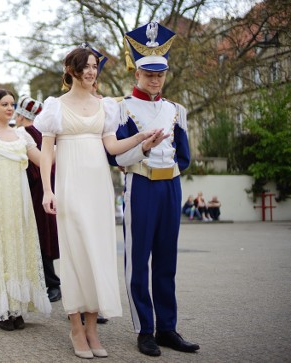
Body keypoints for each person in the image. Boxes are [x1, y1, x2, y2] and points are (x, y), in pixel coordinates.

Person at [36, 45, 165, 359]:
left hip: (98, 187)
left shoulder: (106, 106)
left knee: (98, 253)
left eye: (94, 66)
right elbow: (46, 153)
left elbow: (112, 145)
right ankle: (75, 328)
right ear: (71, 71)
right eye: (84, 67)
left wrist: (141, 138)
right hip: (68, 184)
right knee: (75, 253)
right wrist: (47, 191)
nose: (91, 72)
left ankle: (92, 328)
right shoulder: (54, 107)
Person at [110, 22, 199, 356]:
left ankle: (167, 327)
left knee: (166, 260)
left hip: (170, 186)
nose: (154, 79)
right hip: (140, 184)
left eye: (159, 74)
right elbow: (114, 156)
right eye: (148, 73)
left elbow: (185, 156)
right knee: (138, 259)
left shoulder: (176, 110)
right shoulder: (122, 108)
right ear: (137, 74)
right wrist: (143, 149)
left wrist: (171, 174)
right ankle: (143, 329)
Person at [0, 89, 51, 331]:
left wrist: (61, 137)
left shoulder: (22, 135)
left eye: (12, 104)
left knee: (21, 248)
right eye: (4, 104)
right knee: (0, 250)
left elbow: (44, 159)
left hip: (21, 202)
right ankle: (3, 309)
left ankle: (18, 307)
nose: (9, 108)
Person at [14, 95, 62, 303]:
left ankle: (52, 283)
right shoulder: (44, 133)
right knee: (44, 234)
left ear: (21, 115)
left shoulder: (24, 133)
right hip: (51, 184)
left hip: (36, 189)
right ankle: (47, 282)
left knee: (41, 235)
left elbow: (39, 162)